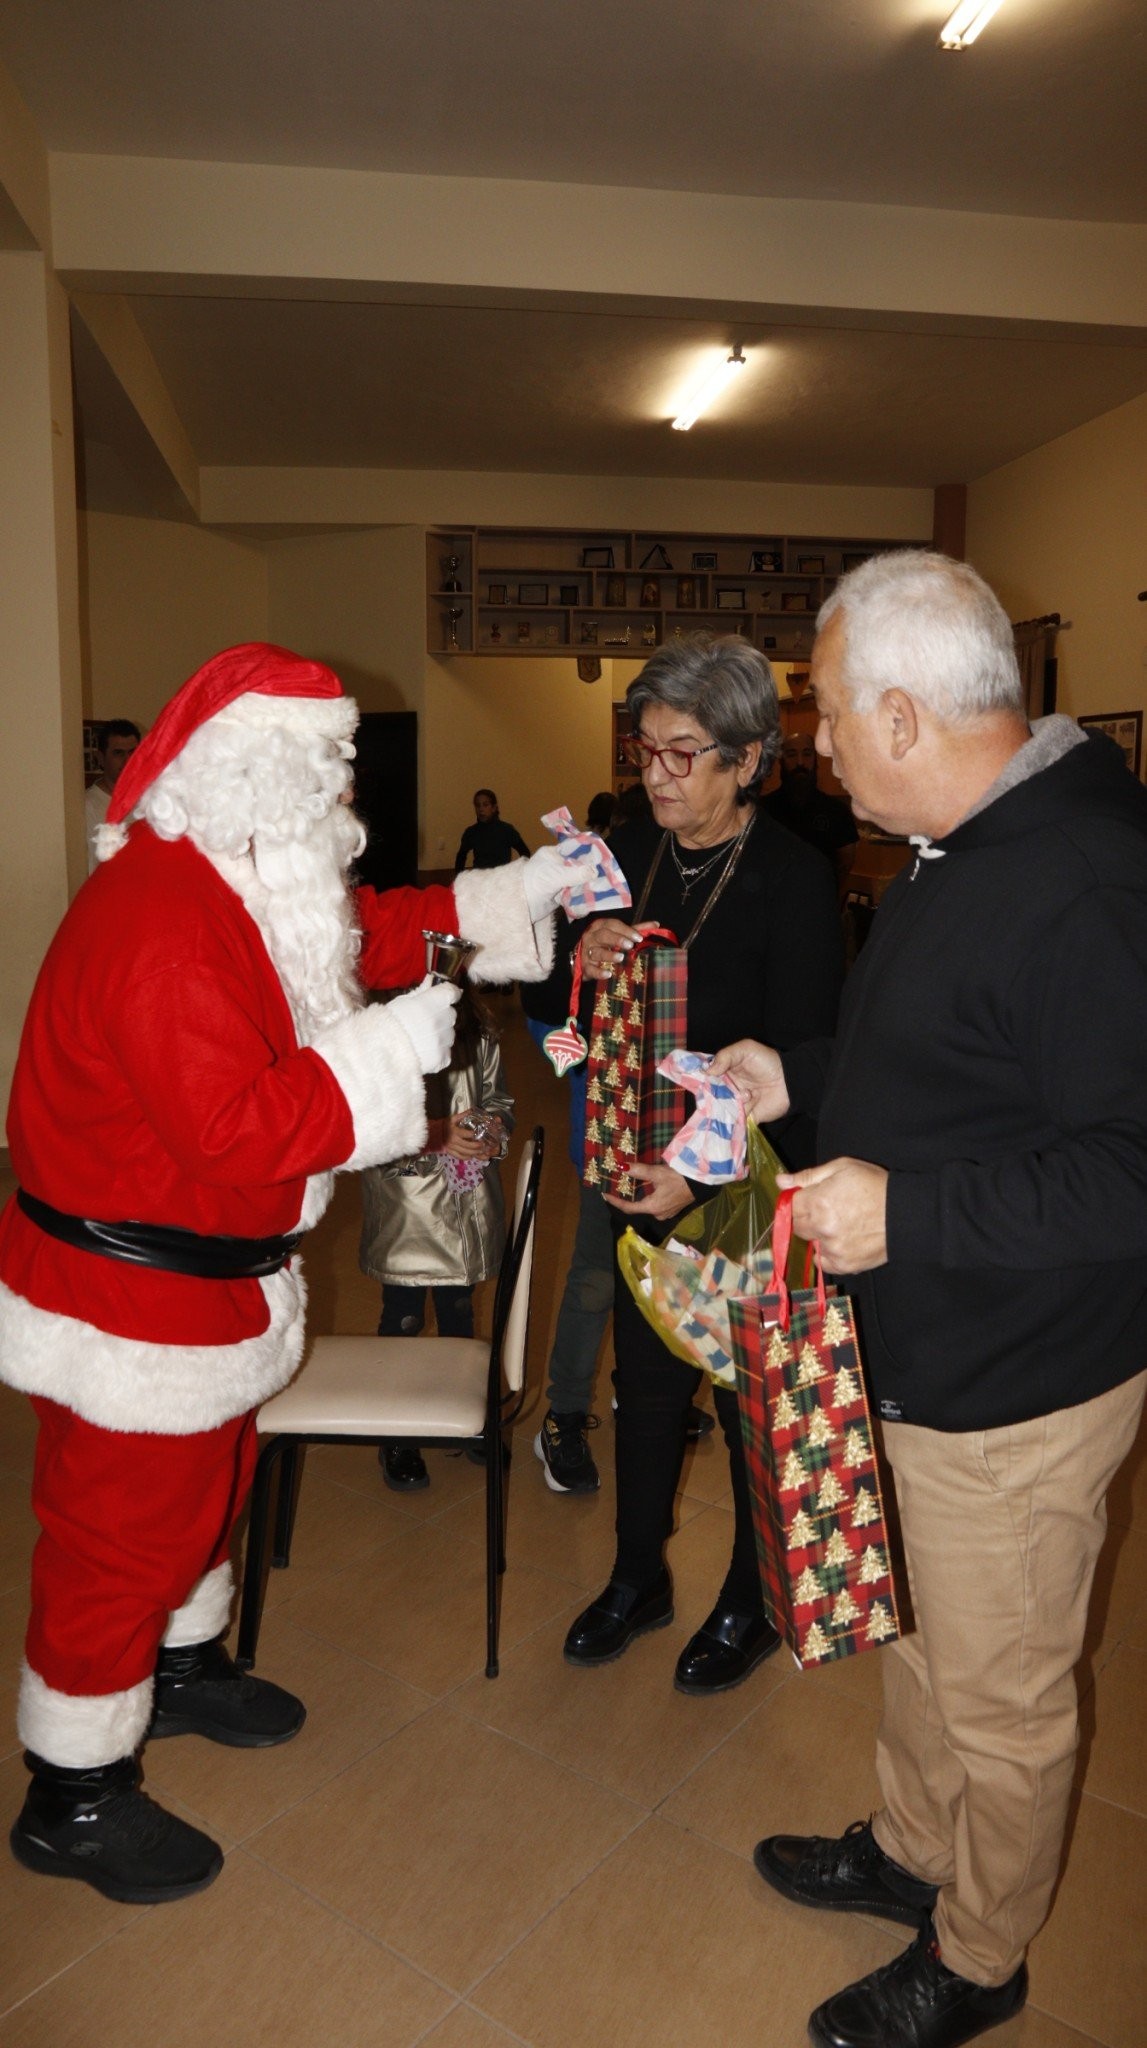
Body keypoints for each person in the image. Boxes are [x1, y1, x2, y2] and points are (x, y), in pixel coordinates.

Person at [0, 641, 586, 1908]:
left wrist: (502, 895)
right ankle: (73, 1791)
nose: (341, 794)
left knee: (207, 1489)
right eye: (322, 768)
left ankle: (185, 1660)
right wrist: (380, 1060)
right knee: (116, 1536)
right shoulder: (159, 920)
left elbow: (355, 930)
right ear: (246, 772)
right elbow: (234, 1128)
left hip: (209, 1283)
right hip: (131, 1302)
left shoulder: (242, 868)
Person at [712, 551, 1147, 2048]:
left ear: (898, 715)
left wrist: (904, 1210)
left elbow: (1129, 1171)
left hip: (1016, 1387)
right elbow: (945, 1069)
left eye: (826, 714)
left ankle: (978, 1955)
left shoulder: (1084, 880)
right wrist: (802, 1079)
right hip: (916, 1350)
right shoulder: (962, 837)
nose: (814, 743)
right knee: (910, 1632)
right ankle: (907, 1853)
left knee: (1003, 1706)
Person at [562, 634, 843, 1689]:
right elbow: (576, 1009)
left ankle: (750, 1596)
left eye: (685, 753)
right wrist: (582, 956)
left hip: (747, 1182)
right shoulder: (626, 848)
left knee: (746, 1406)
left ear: (748, 757)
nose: (659, 775)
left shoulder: (791, 877)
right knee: (641, 1389)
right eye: (646, 751)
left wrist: (702, 1173)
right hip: (639, 1167)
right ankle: (638, 1575)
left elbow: (802, 1054)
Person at [361, 983, 514, 1490]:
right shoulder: (381, 1024)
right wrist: (438, 1133)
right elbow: (371, 1117)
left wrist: (492, 1129)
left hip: (466, 1199)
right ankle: (396, 1435)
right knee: (402, 1317)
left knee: (459, 1311)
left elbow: (498, 1098)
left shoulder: (477, 1022)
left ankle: (461, 1416)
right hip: (408, 1203)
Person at [761, 727, 858, 881]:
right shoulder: (762, 811)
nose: (800, 762)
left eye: (807, 754)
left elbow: (845, 864)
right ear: (781, 761)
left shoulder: (837, 812)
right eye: (791, 755)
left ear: (815, 759)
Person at [85, 718, 140, 872]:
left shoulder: (151, 802)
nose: (127, 761)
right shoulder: (87, 805)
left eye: (132, 752)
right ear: (101, 758)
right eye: (118, 753)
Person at [454, 788, 530, 870]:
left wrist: (517, 872)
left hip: (501, 878)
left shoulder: (506, 830)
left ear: (494, 808)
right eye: (477, 805)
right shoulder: (471, 832)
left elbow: (525, 853)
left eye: (485, 805)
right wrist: (460, 878)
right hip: (480, 878)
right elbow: (461, 857)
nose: (481, 809)